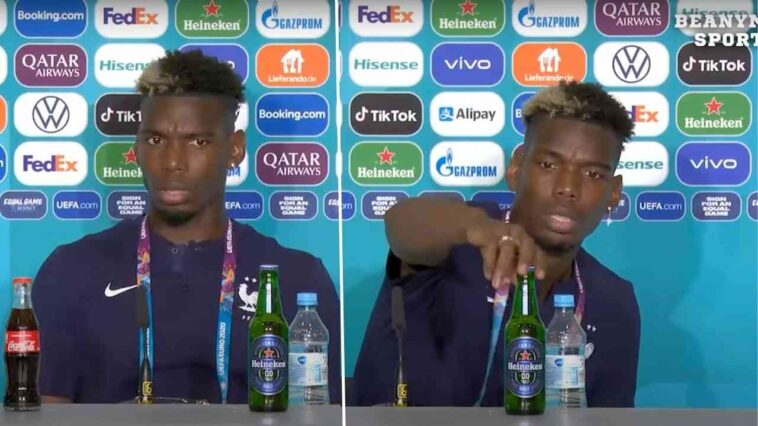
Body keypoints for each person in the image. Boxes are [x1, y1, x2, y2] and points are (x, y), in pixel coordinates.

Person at [32, 50, 341, 404]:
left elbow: (319, 413)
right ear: (137, 148)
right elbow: (49, 413)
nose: (173, 162)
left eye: (198, 142)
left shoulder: (297, 277)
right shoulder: (72, 270)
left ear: (235, 149)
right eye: (156, 140)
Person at [351, 81, 641, 407]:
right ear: (516, 169)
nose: (567, 188)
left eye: (593, 174)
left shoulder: (614, 301)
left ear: (614, 193)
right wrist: (476, 229)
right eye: (548, 165)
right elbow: (401, 223)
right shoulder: (457, 237)